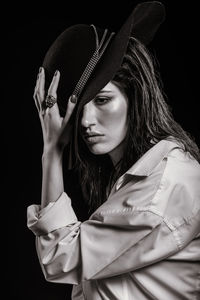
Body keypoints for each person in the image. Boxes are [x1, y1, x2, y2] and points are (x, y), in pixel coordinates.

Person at [27, 1, 200, 299]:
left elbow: (59, 257)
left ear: (135, 95)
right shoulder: (139, 175)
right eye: (79, 106)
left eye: (102, 100)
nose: (85, 121)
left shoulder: (162, 188)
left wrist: (52, 151)